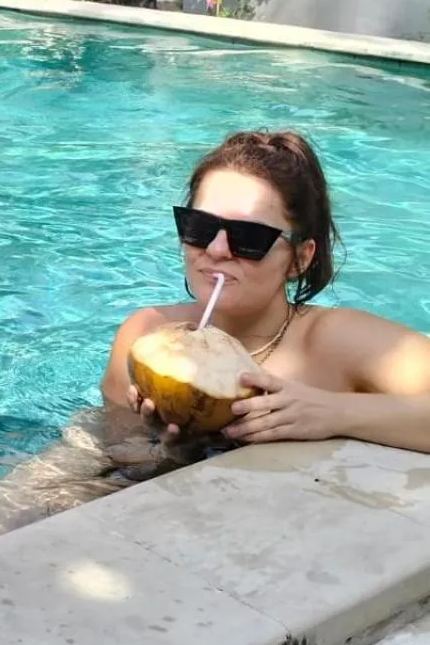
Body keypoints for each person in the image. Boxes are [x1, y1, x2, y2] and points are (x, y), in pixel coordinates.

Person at [103, 130, 430, 452]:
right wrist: (166, 451)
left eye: (248, 236)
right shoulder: (145, 335)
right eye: (199, 226)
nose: (217, 250)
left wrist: (332, 412)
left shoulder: (333, 341)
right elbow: (106, 457)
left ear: (300, 259)